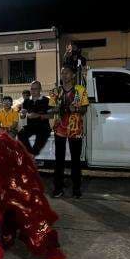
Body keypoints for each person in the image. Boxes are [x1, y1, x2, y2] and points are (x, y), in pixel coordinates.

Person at [49, 66, 89, 199]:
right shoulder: (56, 91)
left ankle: (76, 189)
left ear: (72, 75)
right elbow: (51, 110)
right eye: (62, 73)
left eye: (67, 73)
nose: (64, 75)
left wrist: (75, 109)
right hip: (59, 129)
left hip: (75, 129)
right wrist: (60, 108)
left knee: (76, 161)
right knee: (59, 160)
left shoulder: (80, 90)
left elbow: (84, 110)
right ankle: (58, 189)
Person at [17, 81, 52, 156]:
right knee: (20, 134)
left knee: (41, 136)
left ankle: (33, 154)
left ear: (40, 89)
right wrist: (23, 114)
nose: (33, 91)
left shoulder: (47, 100)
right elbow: (22, 116)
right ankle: (30, 153)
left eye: (36, 89)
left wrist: (38, 115)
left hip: (43, 126)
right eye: (32, 89)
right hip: (30, 125)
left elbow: (51, 116)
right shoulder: (26, 101)